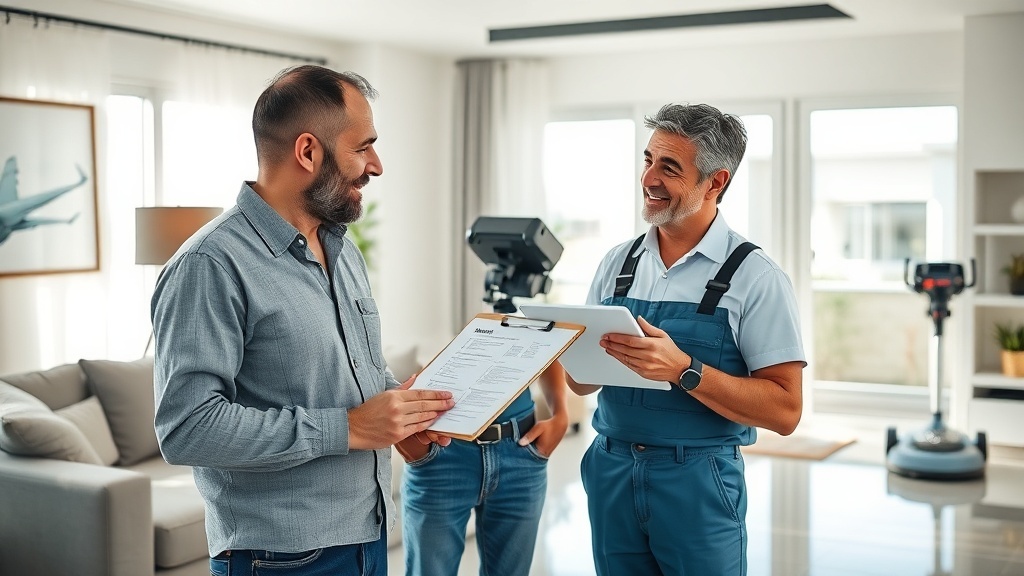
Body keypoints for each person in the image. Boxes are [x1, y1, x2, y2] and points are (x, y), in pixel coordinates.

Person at [151, 65, 455, 576]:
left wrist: (400, 419)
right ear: (309, 151)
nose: (376, 165)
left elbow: (352, 370)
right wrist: (348, 428)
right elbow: (187, 428)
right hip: (281, 559)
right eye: (363, 147)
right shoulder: (210, 265)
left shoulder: (340, 246)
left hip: (368, 532)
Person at [568, 103, 806, 575]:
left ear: (715, 182)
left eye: (669, 167)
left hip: (698, 480)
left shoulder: (756, 278)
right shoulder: (617, 264)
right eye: (648, 160)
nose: (649, 178)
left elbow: (785, 411)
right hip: (610, 471)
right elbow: (580, 385)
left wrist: (683, 370)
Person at [399, 359, 570, 576]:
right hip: (440, 449)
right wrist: (405, 441)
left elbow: (550, 344)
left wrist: (561, 414)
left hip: (521, 450)